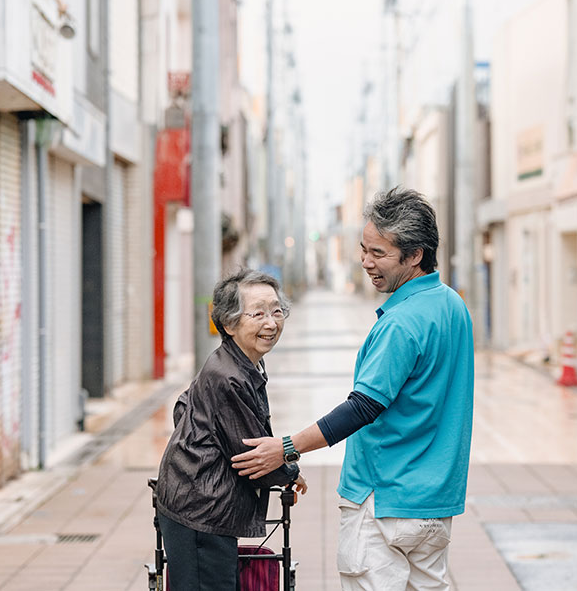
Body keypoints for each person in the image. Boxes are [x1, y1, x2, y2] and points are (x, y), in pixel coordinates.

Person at [231, 187, 474, 590]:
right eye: (364, 249)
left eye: (379, 253)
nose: (366, 262)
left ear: (415, 255)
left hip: (384, 502)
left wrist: (285, 447)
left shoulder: (401, 323)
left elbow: (361, 407)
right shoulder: (452, 306)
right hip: (435, 505)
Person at [155, 268, 308, 591]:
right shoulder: (229, 376)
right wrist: (290, 470)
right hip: (199, 511)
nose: (271, 323)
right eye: (257, 314)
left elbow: (183, 407)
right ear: (228, 323)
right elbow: (254, 456)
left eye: (276, 311)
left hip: (196, 503)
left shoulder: (235, 362)